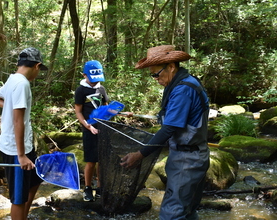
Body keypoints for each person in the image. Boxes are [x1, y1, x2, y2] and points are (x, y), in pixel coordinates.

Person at [120, 45, 210, 220]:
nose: (155, 78)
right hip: (193, 156)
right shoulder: (184, 83)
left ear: (171, 66)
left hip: (187, 161)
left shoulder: (183, 89)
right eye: (151, 74)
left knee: (172, 214)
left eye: (156, 73)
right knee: (188, 212)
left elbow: (169, 128)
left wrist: (140, 154)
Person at [0, 47, 47, 220]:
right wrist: (21, 156)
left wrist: (9, 107)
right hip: (15, 149)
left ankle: (23, 216)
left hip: (24, 145)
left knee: (35, 182)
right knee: (18, 198)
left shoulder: (12, 79)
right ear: (36, 66)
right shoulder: (21, 83)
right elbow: (18, 121)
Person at [74, 60, 108, 202]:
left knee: (102, 160)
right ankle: (88, 188)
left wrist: (119, 112)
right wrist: (87, 125)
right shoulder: (81, 90)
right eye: (92, 80)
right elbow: (78, 112)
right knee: (91, 161)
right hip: (89, 129)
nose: (94, 83)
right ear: (84, 75)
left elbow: (106, 108)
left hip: (102, 129)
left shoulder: (101, 89)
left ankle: (100, 187)